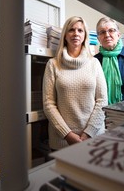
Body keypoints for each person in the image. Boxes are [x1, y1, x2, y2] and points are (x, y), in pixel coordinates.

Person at [42, 16, 108, 151]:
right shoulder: (53, 64)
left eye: (80, 30)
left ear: (85, 35)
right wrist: (68, 135)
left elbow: (102, 100)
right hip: (62, 141)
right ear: (65, 35)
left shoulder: (94, 63)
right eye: (71, 30)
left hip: (94, 138)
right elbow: (48, 104)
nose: (76, 34)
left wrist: (88, 133)